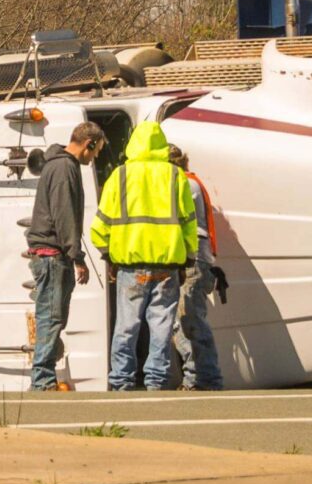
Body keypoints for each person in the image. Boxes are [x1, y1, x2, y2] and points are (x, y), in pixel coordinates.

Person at [89, 119, 209, 391]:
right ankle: (155, 381)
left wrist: (109, 255)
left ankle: (121, 381)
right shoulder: (175, 176)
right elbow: (189, 223)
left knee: (126, 326)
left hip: (130, 267)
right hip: (167, 266)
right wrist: (188, 256)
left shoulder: (120, 175)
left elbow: (100, 226)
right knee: (162, 326)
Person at [23, 121, 104, 391]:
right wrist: (76, 256)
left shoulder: (56, 164)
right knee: (52, 316)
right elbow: (64, 214)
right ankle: (42, 379)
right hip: (52, 254)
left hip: (49, 253)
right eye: (96, 152)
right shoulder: (64, 167)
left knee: (51, 315)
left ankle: (43, 377)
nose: (94, 158)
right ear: (88, 144)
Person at [165, 144, 224, 391]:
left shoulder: (184, 184)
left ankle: (202, 378)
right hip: (197, 256)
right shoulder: (190, 182)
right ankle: (198, 377)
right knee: (186, 318)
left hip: (193, 257)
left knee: (189, 319)